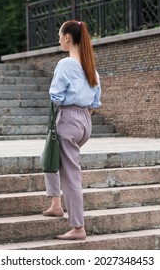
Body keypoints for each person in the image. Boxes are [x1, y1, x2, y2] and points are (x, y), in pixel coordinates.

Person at [42, 20, 101, 240]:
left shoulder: (65, 64)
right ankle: (56, 204)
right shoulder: (90, 66)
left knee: (71, 176)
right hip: (85, 121)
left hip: (69, 118)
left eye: (60, 36)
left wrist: (69, 111)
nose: (58, 40)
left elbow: (55, 95)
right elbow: (95, 103)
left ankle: (78, 227)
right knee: (50, 156)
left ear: (67, 37)